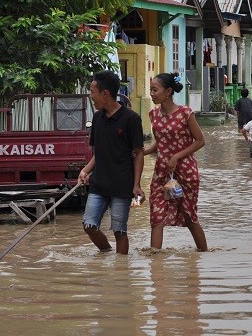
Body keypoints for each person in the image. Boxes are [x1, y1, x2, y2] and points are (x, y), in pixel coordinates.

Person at [78, 70, 145, 255]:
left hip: (122, 185)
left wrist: (136, 185)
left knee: (119, 231)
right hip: (99, 183)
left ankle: (121, 267)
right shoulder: (97, 118)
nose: (91, 96)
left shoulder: (131, 119)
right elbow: (98, 153)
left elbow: (139, 153)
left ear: (105, 93)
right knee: (89, 225)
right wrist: (85, 171)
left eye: (92, 92)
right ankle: (106, 253)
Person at [145, 72, 208, 251]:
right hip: (162, 173)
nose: (152, 93)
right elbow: (161, 142)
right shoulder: (153, 114)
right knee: (156, 215)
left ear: (168, 91)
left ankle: (203, 254)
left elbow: (200, 141)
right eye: (151, 90)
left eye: (155, 90)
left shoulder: (185, 113)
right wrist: (144, 152)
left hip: (185, 173)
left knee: (189, 216)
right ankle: (155, 259)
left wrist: (176, 156)